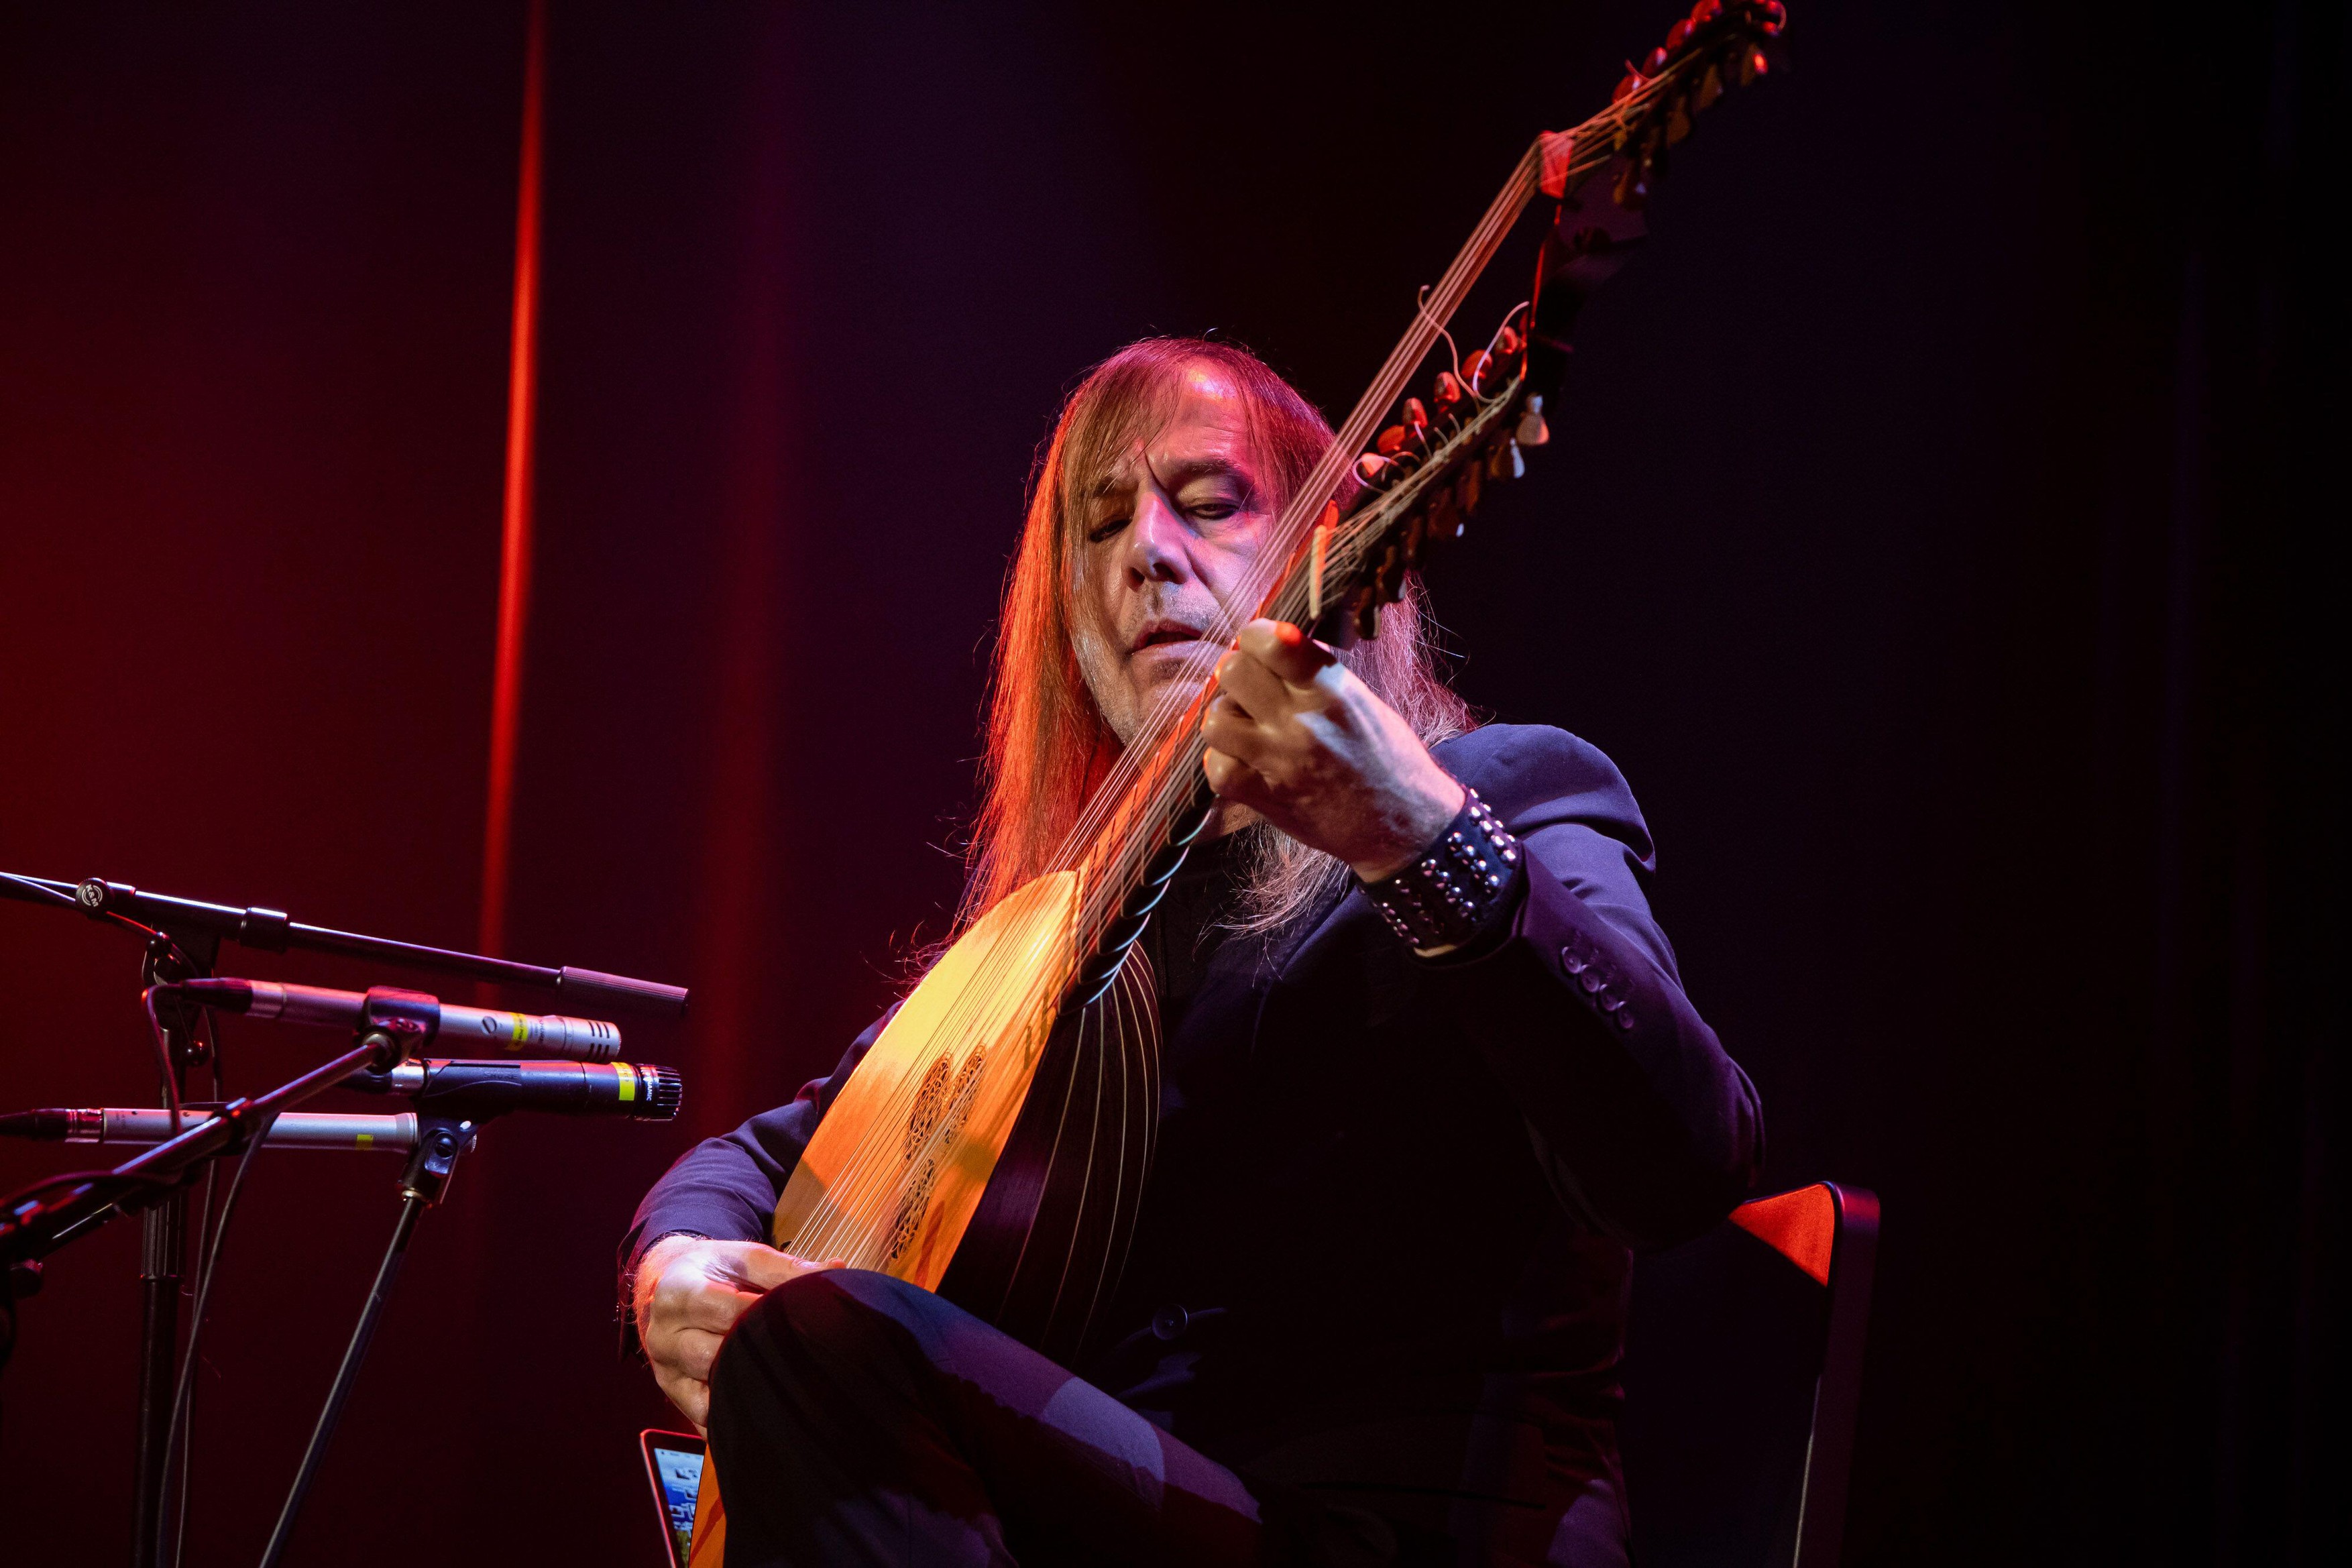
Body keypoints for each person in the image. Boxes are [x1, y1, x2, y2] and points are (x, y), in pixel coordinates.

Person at [620, 337, 1762, 1567]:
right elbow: (772, 1151)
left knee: (821, 1343)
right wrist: (671, 1265)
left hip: (1407, 1530)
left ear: (1329, 542)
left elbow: (1689, 1160)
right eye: (1098, 530)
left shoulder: (1500, 789)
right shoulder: (1071, 934)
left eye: (1210, 503)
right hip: (1133, 1526)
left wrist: (1418, 836)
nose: (1146, 555)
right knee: (803, 1350)